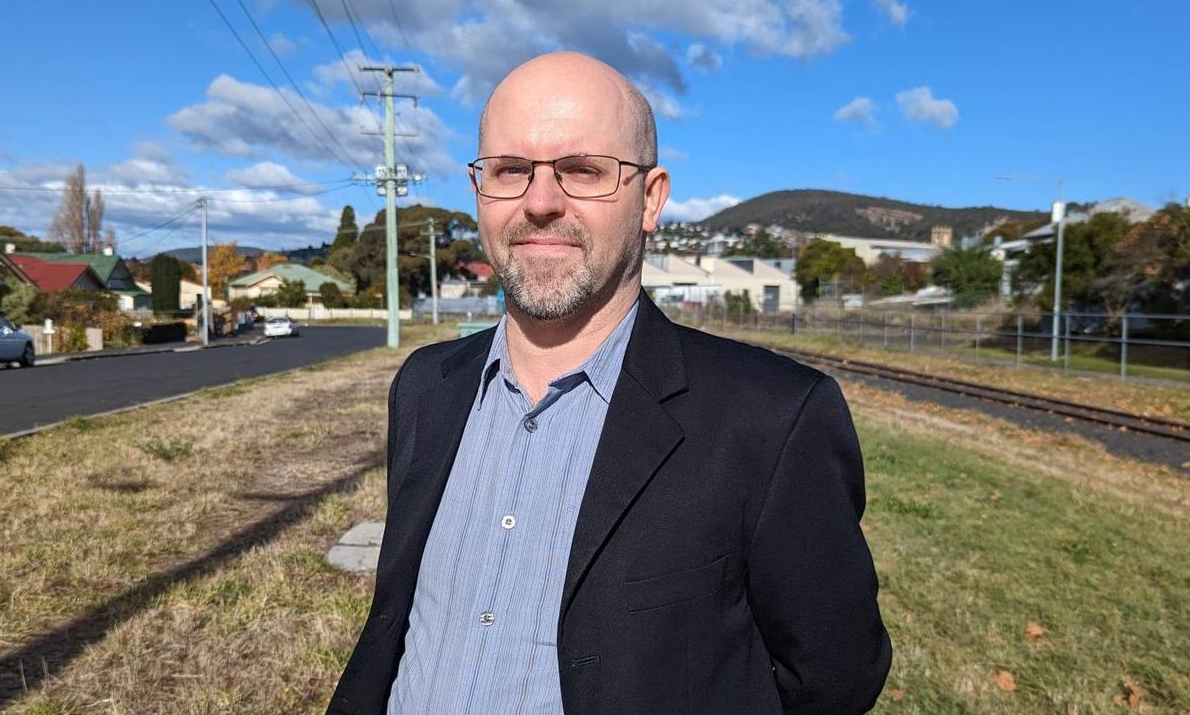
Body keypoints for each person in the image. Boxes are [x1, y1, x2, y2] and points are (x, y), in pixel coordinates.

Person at [326, 51, 891, 715]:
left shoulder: (772, 421)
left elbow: (833, 678)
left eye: (583, 171)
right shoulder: (425, 387)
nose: (540, 203)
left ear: (650, 200)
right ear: (479, 188)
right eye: (510, 170)